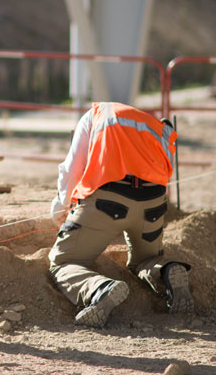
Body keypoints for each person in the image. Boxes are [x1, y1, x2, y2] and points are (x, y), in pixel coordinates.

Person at [48, 102, 193, 328]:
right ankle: (166, 270)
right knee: (144, 260)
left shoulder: (94, 115)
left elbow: (71, 169)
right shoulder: (150, 125)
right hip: (152, 204)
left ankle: (99, 288)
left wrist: (61, 207)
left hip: (107, 201)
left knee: (64, 262)